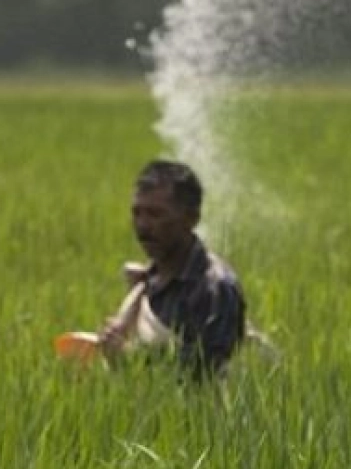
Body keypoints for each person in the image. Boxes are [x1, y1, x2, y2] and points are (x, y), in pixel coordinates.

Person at [96, 160, 247, 380]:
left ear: (191, 220)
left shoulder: (214, 288)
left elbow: (209, 372)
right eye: (137, 213)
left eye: (155, 214)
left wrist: (130, 357)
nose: (143, 226)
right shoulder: (147, 282)